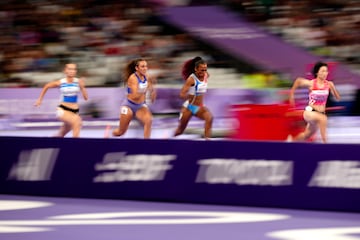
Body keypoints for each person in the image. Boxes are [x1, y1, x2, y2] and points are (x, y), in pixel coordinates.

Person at [289, 61, 341, 143]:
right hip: (310, 112)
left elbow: (338, 98)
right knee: (323, 119)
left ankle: (291, 142)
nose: (325, 73)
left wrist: (333, 89)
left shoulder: (329, 84)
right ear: (317, 72)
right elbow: (298, 80)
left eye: (326, 71)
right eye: (322, 71)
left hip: (320, 114)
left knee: (306, 135)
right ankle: (326, 145)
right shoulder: (311, 83)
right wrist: (291, 94)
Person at [34, 63, 88, 138]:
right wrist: (39, 99)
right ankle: (76, 147)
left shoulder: (78, 82)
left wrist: (83, 87)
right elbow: (47, 86)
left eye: (74, 69)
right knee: (77, 122)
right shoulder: (61, 82)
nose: (72, 71)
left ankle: (51, 143)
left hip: (74, 111)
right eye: (70, 69)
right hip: (63, 110)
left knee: (61, 135)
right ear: (65, 71)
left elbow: (86, 98)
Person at [112, 58, 156, 139]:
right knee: (121, 132)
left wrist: (153, 92)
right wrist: (146, 89)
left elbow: (152, 93)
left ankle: (147, 145)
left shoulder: (148, 77)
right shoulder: (133, 78)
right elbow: (135, 96)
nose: (145, 68)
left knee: (148, 121)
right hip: (129, 105)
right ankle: (110, 135)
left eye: (146, 66)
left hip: (140, 106)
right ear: (137, 68)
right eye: (142, 66)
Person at [174, 56, 213, 139]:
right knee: (180, 131)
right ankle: (167, 142)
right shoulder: (191, 79)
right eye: (201, 70)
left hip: (200, 107)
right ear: (195, 69)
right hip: (189, 107)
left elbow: (205, 78)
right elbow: (182, 94)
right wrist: (191, 94)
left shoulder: (206, 75)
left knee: (209, 118)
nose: (204, 72)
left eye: (205, 69)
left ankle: (208, 144)